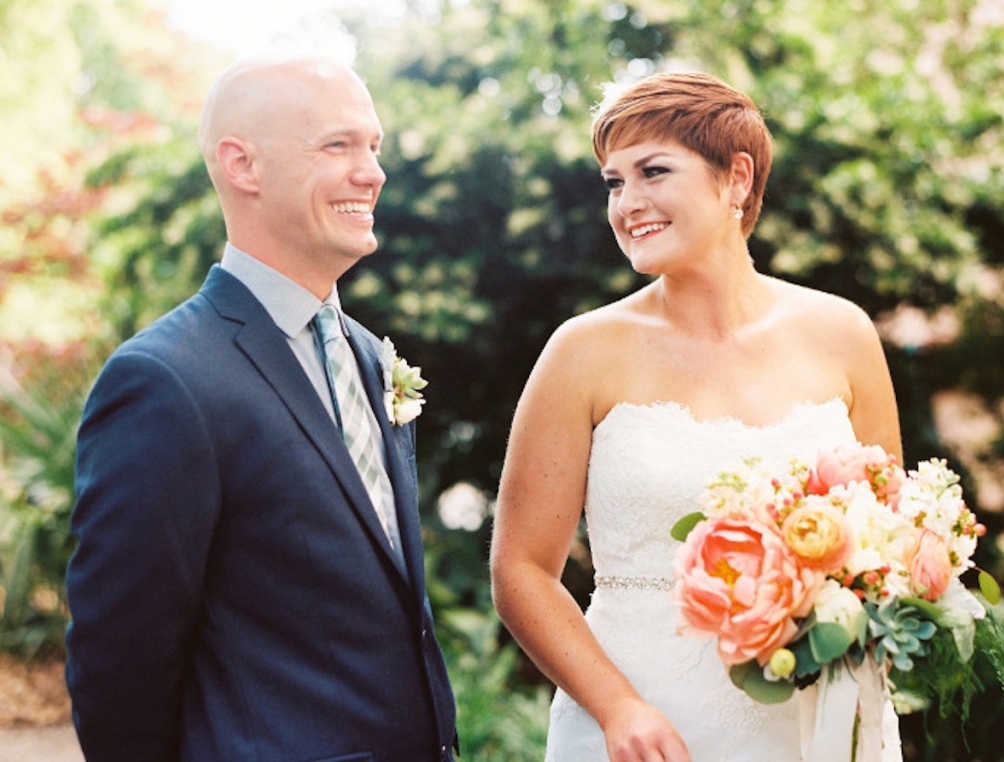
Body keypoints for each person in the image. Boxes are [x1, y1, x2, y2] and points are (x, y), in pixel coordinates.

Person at [490, 71, 903, 762]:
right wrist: (618, 709)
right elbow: (522, 569)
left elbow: (887, 544)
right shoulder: (582, 351)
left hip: (818, 725)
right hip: (642, 731)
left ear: (736, 178)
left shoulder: (844, 334)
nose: (627, 204)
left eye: (653, 171)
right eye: (614, 182)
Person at [65, 55, 457, 762]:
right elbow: (119, 665)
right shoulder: (164, 381)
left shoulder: (370, 357)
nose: (373, 172)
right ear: (242, 165)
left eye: (373, 147)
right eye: (338, 146)